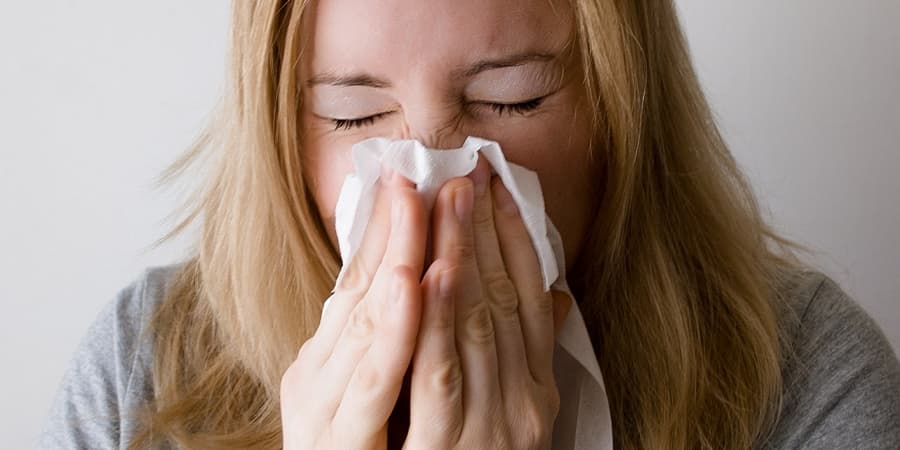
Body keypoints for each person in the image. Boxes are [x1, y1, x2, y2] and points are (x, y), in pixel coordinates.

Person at [42, 0, 900, 449]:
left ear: (621, 106)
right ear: (276, 125)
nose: (426, 181)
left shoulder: (802, 378)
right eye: (350, 114)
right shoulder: (142, 376)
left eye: (511, 99)